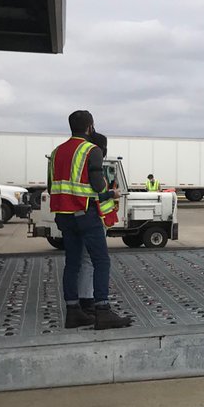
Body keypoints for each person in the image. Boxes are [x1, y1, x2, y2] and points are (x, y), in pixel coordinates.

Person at [48, 110, 132, 330]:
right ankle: (102, 311)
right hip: (85, 215)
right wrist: (110, 193)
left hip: (64, 216)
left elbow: (52, 187)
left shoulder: (56, 152)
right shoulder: (91, 150)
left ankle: (73, 312)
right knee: (101, 261)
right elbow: (96, 186)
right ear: (90, 127)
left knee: (73, 263)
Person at [76, 131, 119, 316]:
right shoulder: (93, 166)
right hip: (93, 218)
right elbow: (96, 193)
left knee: (83, 261)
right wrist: (111, 194)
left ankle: (84, 299)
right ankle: (98, 304)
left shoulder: (79, 165)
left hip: (81, 217)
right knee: (97, 261)